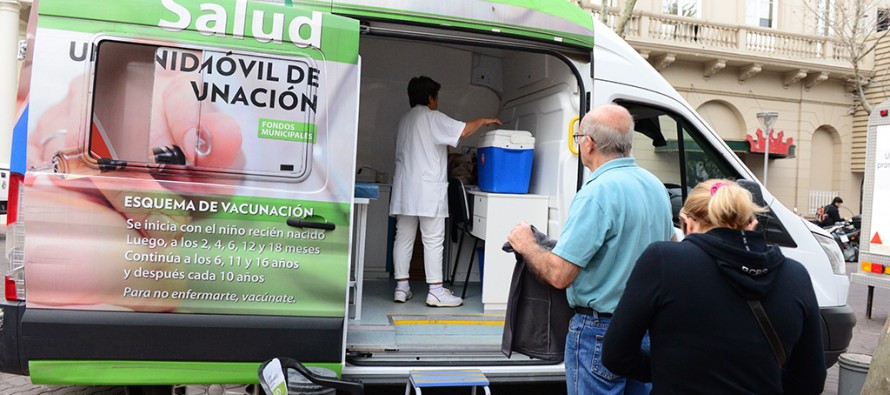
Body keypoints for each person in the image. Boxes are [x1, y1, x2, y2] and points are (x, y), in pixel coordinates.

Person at [506, 104, 673, 394]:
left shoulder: (597, 193)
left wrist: (527, 245)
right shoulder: (655, 186)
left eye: (579, 137)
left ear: (589, 143)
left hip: (600, 332)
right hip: (645, 329)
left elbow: (559, 275)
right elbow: (667, 248)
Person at [602, 179, 826, 394]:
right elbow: (811, 380)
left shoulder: (663, 260)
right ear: (752, 224)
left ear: (687, 222)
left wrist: (669, 370)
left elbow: (616, 354)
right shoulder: (796, 276)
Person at [389, 76, 501, 307]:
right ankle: (436, 291)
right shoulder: (431, 117)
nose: (437, 101)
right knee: (432, 240)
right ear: (430, 98)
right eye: (436, 97)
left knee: (403, 237)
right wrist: (482, 120)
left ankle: (401, 287)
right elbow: (462, 131)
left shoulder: (404, 120)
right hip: (427, 190)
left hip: (405, 189)